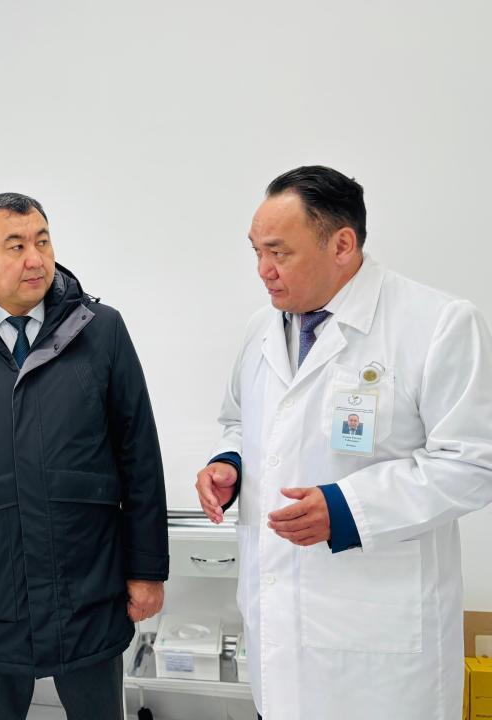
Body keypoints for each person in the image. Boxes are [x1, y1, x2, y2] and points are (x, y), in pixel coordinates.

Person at [195, 166, 492, 720]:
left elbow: (472, 464)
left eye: (279, 252)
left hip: (380, 656)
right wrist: (229, 464)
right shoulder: (263, 328)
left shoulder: (437, 324)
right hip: (278, 633)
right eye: (256, 251)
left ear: (342, 245)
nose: (263, 270)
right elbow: (240, 422)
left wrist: (347, 508)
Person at [0, 193, 168, 720]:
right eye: (16, 245)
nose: (35, 259)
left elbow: (139, 455)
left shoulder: (101, 329)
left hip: (87, 583)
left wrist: (147, 568)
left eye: (43, 242)